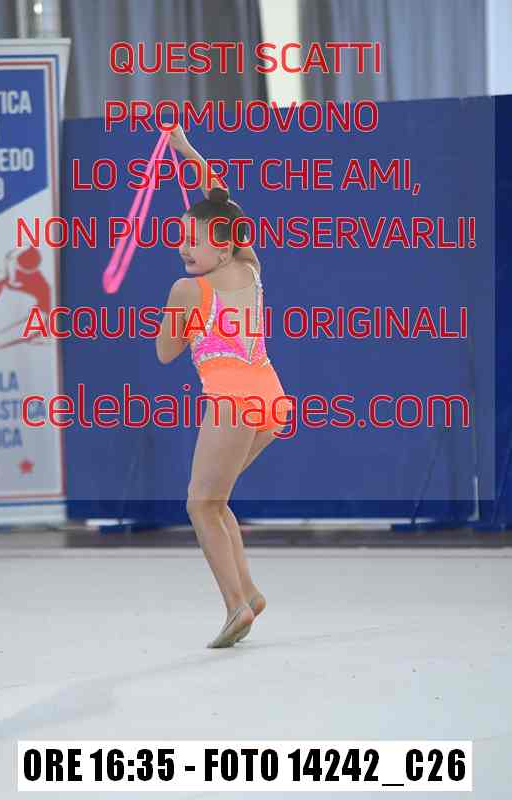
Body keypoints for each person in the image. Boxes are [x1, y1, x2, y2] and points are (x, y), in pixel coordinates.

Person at [156, 125, 293, 648]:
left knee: (201, 503)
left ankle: (235, 605)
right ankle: (250, 592)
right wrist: (187, 151)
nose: (185, 247)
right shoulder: (251, 268)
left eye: (196, 241)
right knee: (217, 500)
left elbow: (165, 352)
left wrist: (177, 313)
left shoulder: (186, 289)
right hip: (270, 398)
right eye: (182, 238)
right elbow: (222, 200)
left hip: (232, 401)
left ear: (224, 244)